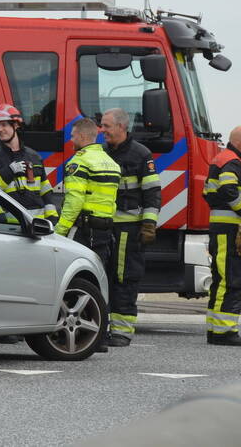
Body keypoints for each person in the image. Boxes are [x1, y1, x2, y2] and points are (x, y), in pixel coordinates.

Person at [99, 108, 161, 348]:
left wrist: (149, 224)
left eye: (106, 126)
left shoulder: (141, 155)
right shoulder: (101, 153)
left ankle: (122, 330)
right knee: (102, 276)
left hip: (129, 229)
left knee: (125, 277)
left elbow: (153, 193)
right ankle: (102, 329)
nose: (102, 131)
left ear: (121, 127)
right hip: (103, 228)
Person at [202, 125, 241, 347]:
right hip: (229, 229)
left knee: (221, 279)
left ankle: (216, 329)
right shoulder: (232, 161)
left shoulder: (222, 159)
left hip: (223, 229)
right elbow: (228, 189)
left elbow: (207, 192)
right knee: (231, 279)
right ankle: (224, 331)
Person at [56, 117, 121, 266]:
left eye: (73, 136)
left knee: (76, 271)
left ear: (83, 136)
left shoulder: (79, 162)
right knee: (99, 272)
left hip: (84, 231)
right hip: (105, 230)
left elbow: (74, 200)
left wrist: (59, 232)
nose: (71, 140)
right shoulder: (111, 163)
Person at [0, 104, 60, 223]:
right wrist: (7, 173)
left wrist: (51, 214)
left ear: (16, 125)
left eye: (4, 125)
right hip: (11, 227)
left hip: (37, 225)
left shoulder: (34, 157)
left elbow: (45, 188)